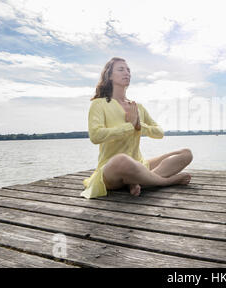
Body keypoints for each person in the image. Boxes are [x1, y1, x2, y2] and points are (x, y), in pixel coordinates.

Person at [81, 57, 192, 199]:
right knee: (122, 159)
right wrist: (129, 126)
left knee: (185, 153)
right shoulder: (99, 104)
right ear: (109, 76)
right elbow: (95, 136)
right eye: (121, 69)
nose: (126, 73)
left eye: (128, 70)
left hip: (139, 165)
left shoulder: (137, 107)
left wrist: (140, 126)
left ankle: (137, 181)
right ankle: (166, 181)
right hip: (111, 170)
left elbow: (159, 133)